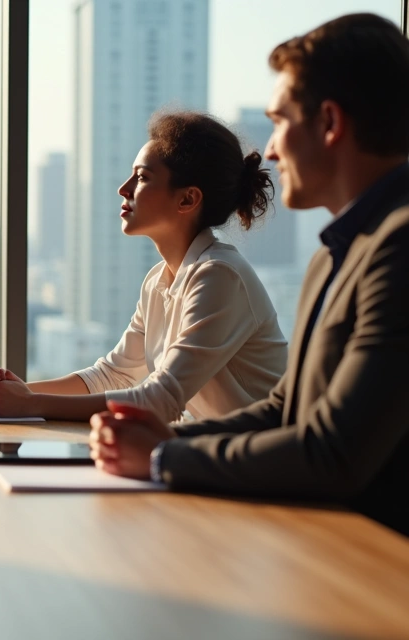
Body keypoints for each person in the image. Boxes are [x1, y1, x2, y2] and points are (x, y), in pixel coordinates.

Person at [90, 13, 409, 537]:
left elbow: (334, 452)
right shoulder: (331, 257)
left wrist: (164, 457)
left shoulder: (400, 247)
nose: (273, 150)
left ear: (330, 124)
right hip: (318, 534)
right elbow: (286, 411)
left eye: (280, 121)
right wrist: (169, 441)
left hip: (377, 554)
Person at [0, 112, 288, 423]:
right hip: (212, 449)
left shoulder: (220, 276)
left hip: (258, 455)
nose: (124, 188)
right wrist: (22, 392)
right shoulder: (158, 281)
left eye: (142, 177)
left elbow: (158, 400)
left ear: (187, 199)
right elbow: (113, 374)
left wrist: (30, 403)